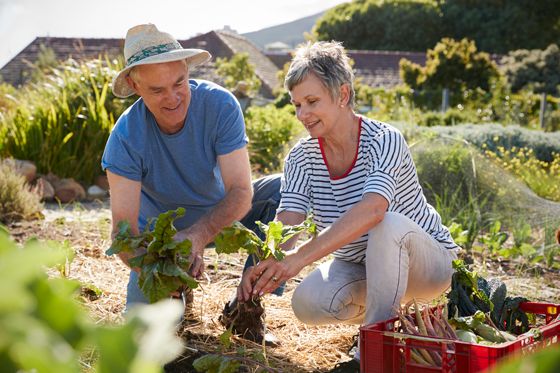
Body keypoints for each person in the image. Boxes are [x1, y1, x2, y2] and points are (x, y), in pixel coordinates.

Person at [238, 41, 460, 372]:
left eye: (312, 101)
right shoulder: (302, 156)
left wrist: (300, 259)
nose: (303, 114)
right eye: (297, 105)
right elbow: (288, 218)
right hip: (366, 267)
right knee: (307, 302)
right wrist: (267, 263)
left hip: (428, 266)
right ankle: (394, 318)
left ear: (342, 95)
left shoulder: (384, 139)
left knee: (387, 224)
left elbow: (373, 210)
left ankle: (371, 352)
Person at [102, 23, 281, 342]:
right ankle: (179, 293)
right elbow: (124, 233)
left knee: (283, 191)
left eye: (179, 82)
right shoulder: (125, 137)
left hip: (222, 216)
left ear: (187, 69)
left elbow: (242, 192)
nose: (172, 98)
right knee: (143, 336)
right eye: (157, 90)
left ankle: (245, 308)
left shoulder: (220, 105)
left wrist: (198, 234)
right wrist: (162, 273)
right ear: (135, 84)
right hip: (159, 242)